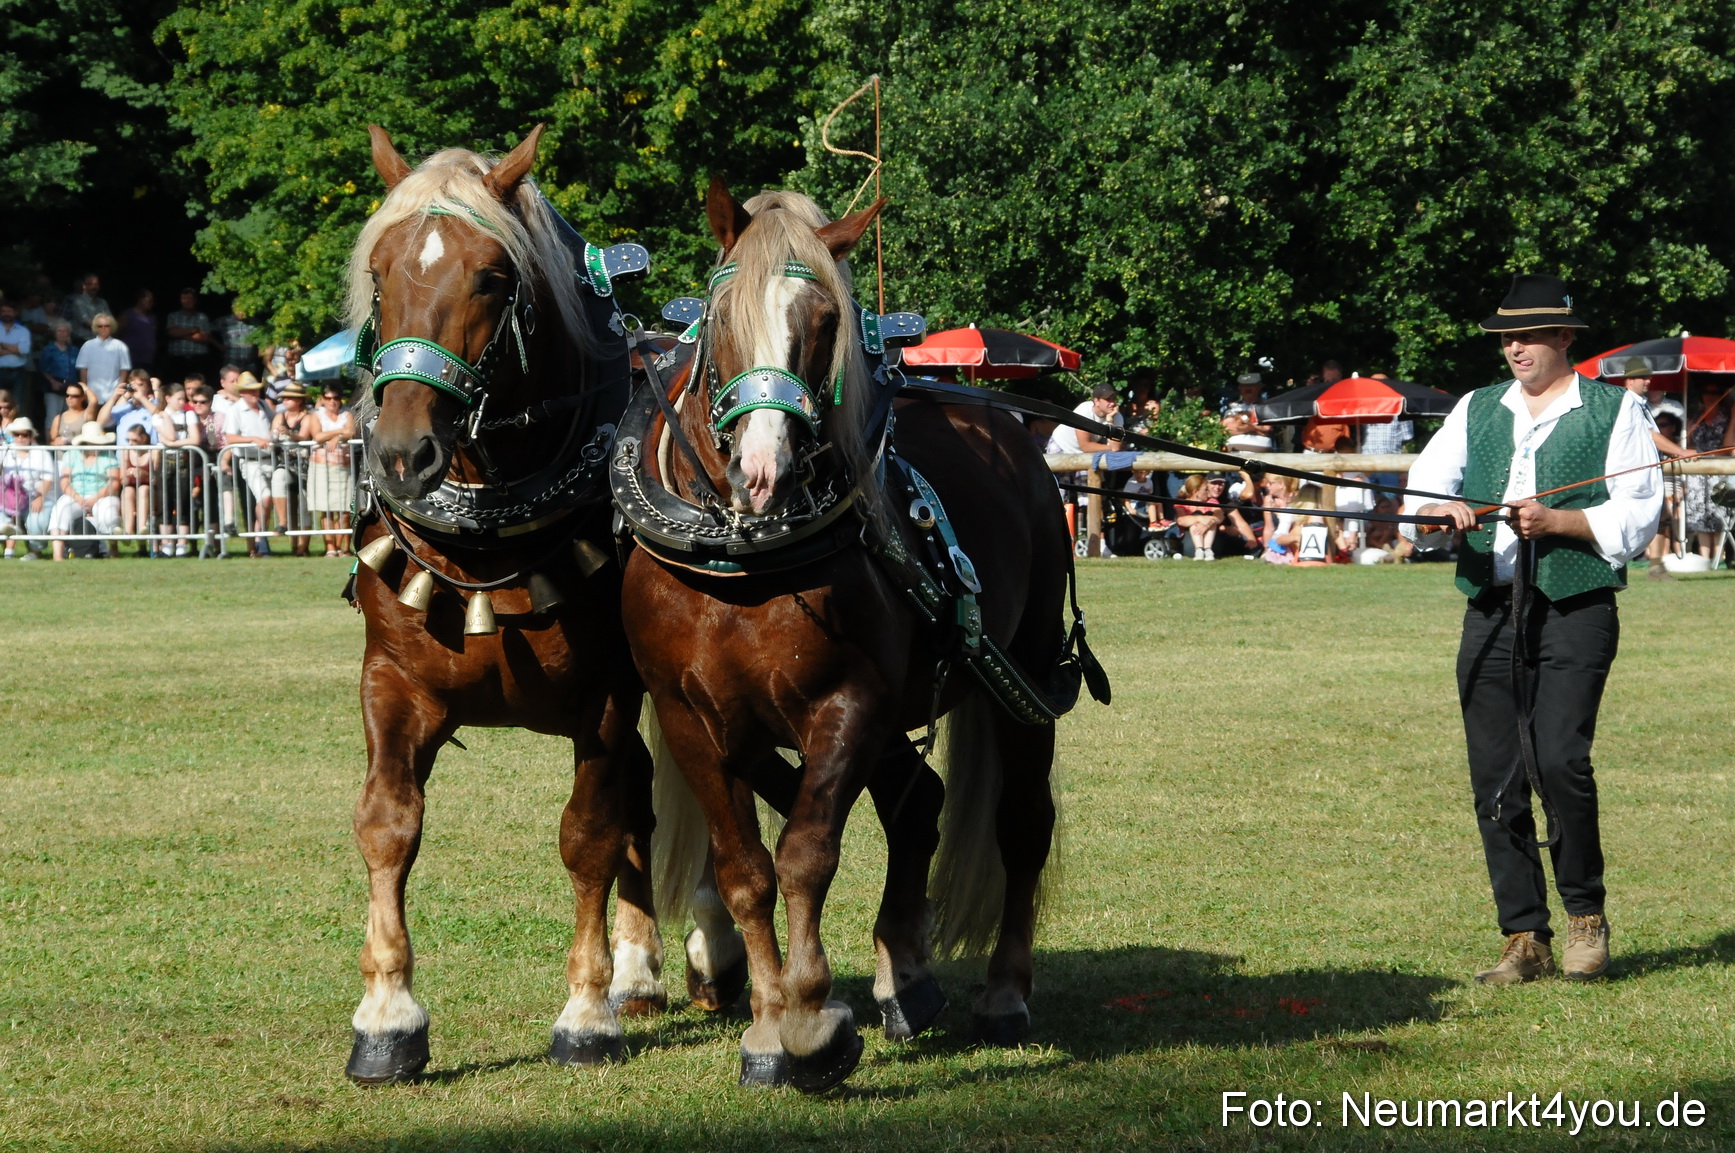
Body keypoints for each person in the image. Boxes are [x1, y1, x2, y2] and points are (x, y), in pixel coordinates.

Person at [1407, 274, 1660, 986]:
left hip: (1574, 606)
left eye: (1526, 335)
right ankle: (1524, 935)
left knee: (1558, 760)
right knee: (1495, 775)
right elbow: (1426, 482)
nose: (1512, 347)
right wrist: (1446, 506)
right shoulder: (1476, 407)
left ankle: (1585, 917)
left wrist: (1560, 522)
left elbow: (1635, 514)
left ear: (1563, 339)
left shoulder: (1612, 411)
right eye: (1504, 337)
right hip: (1490, 607)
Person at [1045, 382, 1125, 542]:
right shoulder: (1084, 411)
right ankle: (1052, 538)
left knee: (1090, 497)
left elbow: (1115, 447)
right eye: (1108, 399)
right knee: (1057, 495)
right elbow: (1086, 445)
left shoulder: (1117, 417)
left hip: (1083, 455)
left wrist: (1110, 421)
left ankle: (1097, 543)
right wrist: (1109, 447)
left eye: (1114, 398)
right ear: (1096, 401)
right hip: (1061, 448)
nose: (1112, 402)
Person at [1679, 378, 1734, 562]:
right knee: (1699, 513)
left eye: (1715, 393)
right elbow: (1689, 444)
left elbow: (1728, 446)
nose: (1710, 397)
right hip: (1697, 471)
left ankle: (1718, 557)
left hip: (1720, 469)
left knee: (1719, 512)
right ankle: (1704, 557)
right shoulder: (1695, 418)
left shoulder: (1727, 417)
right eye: (1707, 392)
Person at [50, 425, 122, 560]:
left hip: (102, 495)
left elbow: (114, 483)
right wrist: (77, 497)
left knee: (108, 515)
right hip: (75, 495)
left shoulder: (108, 455)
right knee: (60, 510)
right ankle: (57, 554)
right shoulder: (71, 455)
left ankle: (113, 548)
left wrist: (95, 498)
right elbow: (64, 482)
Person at [222, 373, 274, 556]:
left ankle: (260, 539)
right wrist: (253, 439)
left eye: (256, 389)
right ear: (242, 392)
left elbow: (273, 426)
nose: (255, 393)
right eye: (250, 390)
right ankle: (260, 540)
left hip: (269, 460)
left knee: (266, 501)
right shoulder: (235, 410)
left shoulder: (264, 406)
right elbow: (230, 437)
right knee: (264, 498)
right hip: (248, 462)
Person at [153, 383, 202, 557]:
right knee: (165, 501)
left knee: (183, 501)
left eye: (183, 399)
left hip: (183, 460)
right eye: (178, 399)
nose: (182, 402)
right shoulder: (158, 417)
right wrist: (167, 418)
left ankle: (182, 543)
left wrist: (173, 444)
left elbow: (194, 439)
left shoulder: (188, 414)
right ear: (168, 398)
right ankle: (166, 543)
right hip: (165, 461)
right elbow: (172, 435)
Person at [308, 384, 357, 557]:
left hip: (344, 466)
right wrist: (340, 432)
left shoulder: (348, 413)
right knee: (326, 508)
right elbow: (317, 436)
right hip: (321, 466)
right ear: (322, 399)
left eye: (336, 398)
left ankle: (344, 548)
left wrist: (337, 436)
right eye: (328, 398)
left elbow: (351, 431)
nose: (332, 401)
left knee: (345, 510)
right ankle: (330, 547)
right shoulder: (316, 415)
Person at [1, 417, 57, 558]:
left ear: (31, 435)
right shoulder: (5, 451)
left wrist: (40, 497)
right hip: (9, 499)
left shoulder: (41, 452)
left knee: (37, 520)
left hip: (35, 496)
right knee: (4, 522)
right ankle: (8, 551)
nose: (20, 438)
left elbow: (48, 479)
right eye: (16, 434)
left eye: (24, 434)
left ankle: (35, 551)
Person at [270, 382, 313, 556]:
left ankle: (303, 547)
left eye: (289, 397)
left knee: (303, 505)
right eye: (284, 398)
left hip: (304, 464)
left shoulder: (308, 417)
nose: (285, 400)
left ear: (299, 400)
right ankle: (282, 522)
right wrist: (275, 435)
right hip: (285, 462)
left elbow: (303, 436)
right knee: (278, 478)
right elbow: (272, 434)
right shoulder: (280, 416)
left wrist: (288, 433)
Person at [164, 288, 216, 384]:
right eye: (184, 298)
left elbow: (205, 337)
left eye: (189, 298)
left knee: (198, 386)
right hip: (177, 359)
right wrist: (192, 330)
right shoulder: (173, 316)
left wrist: (180, 333)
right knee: (176, 386)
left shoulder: (203, 317)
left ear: (195, 300)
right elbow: (171, 333)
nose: (187, 301)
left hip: (198, 359)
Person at [75, 314, 130, 404]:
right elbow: (83, 370)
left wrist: (119, 389)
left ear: (111, 327)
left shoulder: (120, 346)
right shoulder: (87, 346)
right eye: (100, 326)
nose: (103, 328)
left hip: (113, 393)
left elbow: (124, 370)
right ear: (95, 328)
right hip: (93, 393)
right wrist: (85, 390)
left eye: (106, 326)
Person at [118, 423, 155, 554]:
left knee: (143, 489)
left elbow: (157, 478)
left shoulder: (153, 452)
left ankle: (141, 529)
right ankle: (127, 532)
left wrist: (143, 474)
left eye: (134, 440)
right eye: (128, 440)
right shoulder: (126, 452)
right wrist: (127, 474)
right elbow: (122, 480)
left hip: (152, 490)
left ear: (144, 438)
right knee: (127, 491)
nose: (131, 444)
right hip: (132, 489)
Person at [1174, 473, 1225, 559]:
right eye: (1205, 490)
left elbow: (1220, 516)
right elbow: (1181, 520)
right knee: (1197, 514)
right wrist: (1199, 519)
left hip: (1210, 538)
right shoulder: (1181, 503)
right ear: (1195, 492)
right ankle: (1199, 549)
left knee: (1210, 517)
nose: (1208, 492)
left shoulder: (1211, 501)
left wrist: (1208, 523)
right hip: (1191, 539)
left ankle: (1207, 549)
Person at [38, 320, 78, 429]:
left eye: (65, 331)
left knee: (70, 416)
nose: (62, 333)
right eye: (59, 331)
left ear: (69, 333)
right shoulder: (48, 350)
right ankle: (50, 443)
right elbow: (42, 368)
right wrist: (52, 381)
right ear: (54, 333)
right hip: (53, 386)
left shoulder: (74, 350)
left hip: (71, 387)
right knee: (53, 416)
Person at [0, 302, 32, 413]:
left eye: (9, 311)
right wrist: (15, 349)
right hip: (0, 371)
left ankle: (15, 429)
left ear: (15, 313)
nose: (6, 314)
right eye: (4, 311)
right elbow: (20, 349)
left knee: (17, 404)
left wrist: (3, 346)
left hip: (18, 373)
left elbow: (24, 350)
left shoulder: (23, 331)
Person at [117, 289, 158, 372]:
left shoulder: (152, 318)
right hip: (131, 359)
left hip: (148, 359)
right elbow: (116, 333)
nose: (152, 303)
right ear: (141, 300)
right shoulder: (127, 315)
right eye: (149, 300)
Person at [63, 273, 110, 344]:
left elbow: (110, 320)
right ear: (84, 286)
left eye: (96, 284)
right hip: (82, 341)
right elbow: (88, 323)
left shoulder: (103, 302)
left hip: (101, 340)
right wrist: (104, 325)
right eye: (91, 284)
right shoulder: (78, 302)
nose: (94, 287)